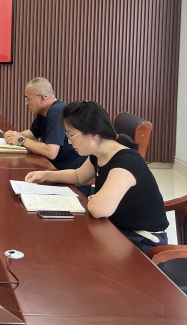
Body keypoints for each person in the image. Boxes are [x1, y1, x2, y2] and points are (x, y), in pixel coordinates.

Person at [24, 100, 169, 252]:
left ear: (93, 134)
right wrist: (46, 175)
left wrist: (93, 198)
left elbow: (99, 209)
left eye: (71, 135)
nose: (69, 141)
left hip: (142, 240)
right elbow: (78, 176)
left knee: (74, 249)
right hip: (114, 227)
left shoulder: (126, 162)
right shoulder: (99, 152)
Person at [3, 77, 85, 170]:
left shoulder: (57, 112)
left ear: (42, 98)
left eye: (28, 98)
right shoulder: (44, 111)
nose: (26, 103)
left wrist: (21, 140)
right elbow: (32, 134)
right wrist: (14, 136)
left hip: (71, 172)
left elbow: (51, 152)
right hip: (55, 167)